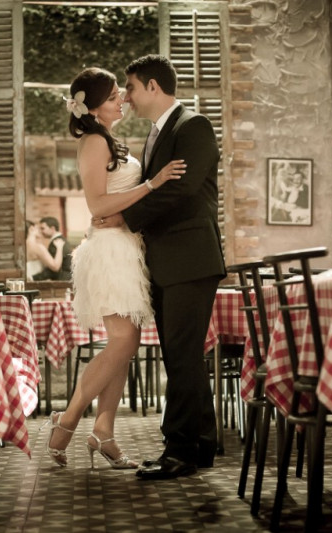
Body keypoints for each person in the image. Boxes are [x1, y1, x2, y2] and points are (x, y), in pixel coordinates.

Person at [42, 67, 186, 469]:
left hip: (127, 247)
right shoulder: (92, 142)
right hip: (109, 251)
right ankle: (68, 419)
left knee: (127, 343)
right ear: (91, 109)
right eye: (111, 97)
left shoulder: (108, 140)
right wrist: (152, 184)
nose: (121, 99)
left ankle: (104, 431)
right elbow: (98, 206)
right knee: (123, 341)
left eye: (121, 93)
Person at [96, 54, 226, 480]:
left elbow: (182, 190)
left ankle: (179, 450)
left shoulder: (193, 126)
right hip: (170, 262)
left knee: (182, 356)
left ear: (153, 86)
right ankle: (201, 444)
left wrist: (125, 217)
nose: (127, 97)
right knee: (181, 356)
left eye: (131, 87)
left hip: (191, 259)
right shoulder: (158, 133)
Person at [32, 216, 73, 281]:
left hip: (62, 279)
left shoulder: (56, 242)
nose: (41, 231)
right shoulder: (61, 240)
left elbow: (54, 269)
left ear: (52, 228)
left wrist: (34, 278)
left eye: (43, 228)